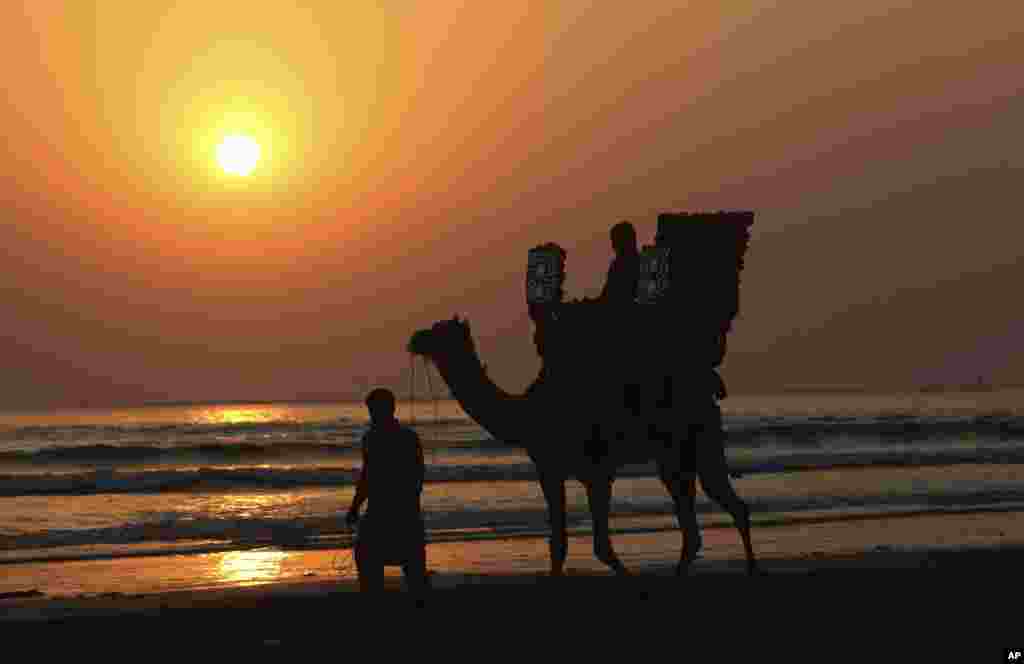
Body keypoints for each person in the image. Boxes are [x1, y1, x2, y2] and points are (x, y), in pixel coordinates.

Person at [346, 388, 430, 603]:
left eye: (373, 410)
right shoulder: (409, 437)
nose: (372, 415)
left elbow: (367, 477)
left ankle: (376, 605)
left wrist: (355, 507)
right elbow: (418, 475)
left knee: (367, 560)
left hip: (383, 513)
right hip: (407, 512)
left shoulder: (372, 438)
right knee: (413, 570)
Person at [598, 221, 641, 305]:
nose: (613, 245)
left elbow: (607, 297)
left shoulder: (618, 265)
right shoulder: (642, 263)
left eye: (614, 240)